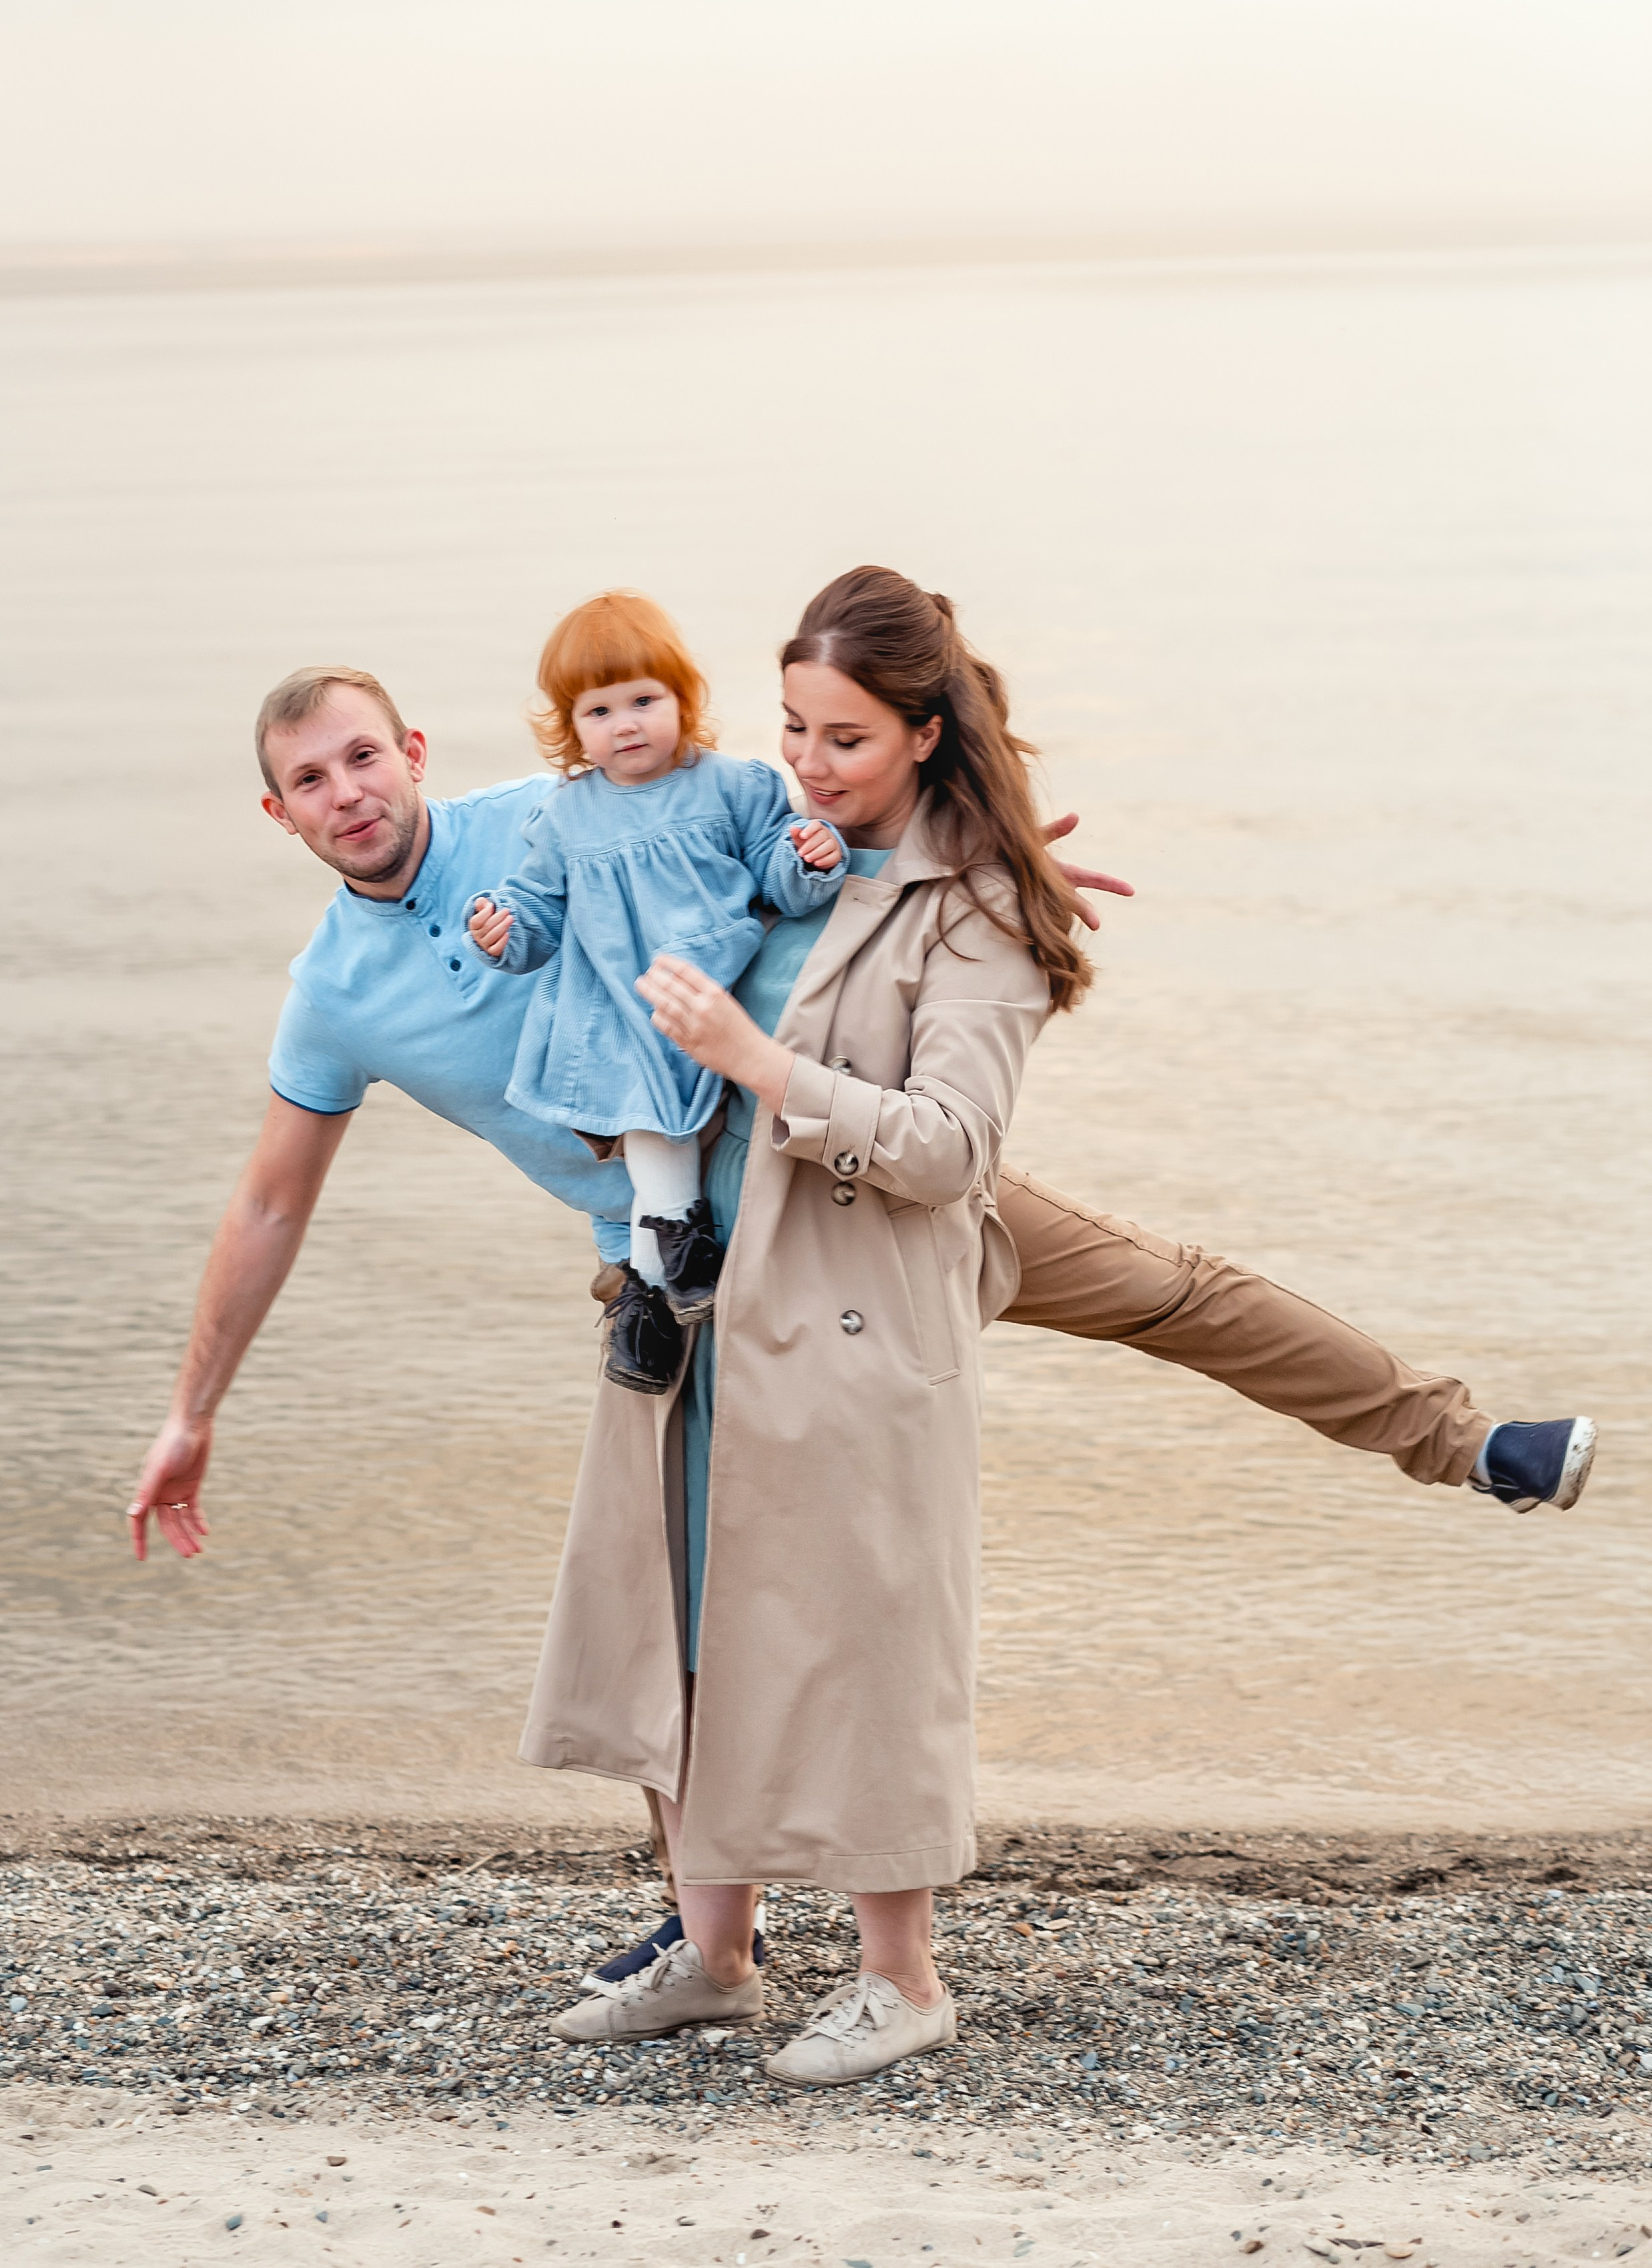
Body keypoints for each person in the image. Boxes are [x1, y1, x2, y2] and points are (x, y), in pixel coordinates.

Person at [125, 632, 1595, 1994]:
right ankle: (712, 1918)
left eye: (362, 757)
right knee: (666, 1573)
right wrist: (193, 1416)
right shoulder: (332, 995)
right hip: (679, 1270)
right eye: (311, 781)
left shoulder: (569, 803)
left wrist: (981, 878)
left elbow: (810, 822)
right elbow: (268, 1204)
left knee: (1167, 1291)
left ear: (414, 750)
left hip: (846, 1171)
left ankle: (1464, 1443)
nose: (347, 793)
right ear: (282, 818)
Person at [526, 566, 1080, 2083]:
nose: (808, 762)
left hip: (852, 1335)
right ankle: (713, 1953)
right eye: (789, 727)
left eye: (842, 735)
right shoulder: (791, 852)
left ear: (921, 728)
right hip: (708, 1309)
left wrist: (761, 1066)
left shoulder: (974, 909)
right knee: (688, 1630)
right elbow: (603, 798)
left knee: (858, 1644)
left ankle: (902, 1978)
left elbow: (951, 1146)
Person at [464, 590, 847, 1393]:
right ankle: (676, 1237)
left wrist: (811, 857)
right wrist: (502, 932)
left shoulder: (732, 787)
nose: (626, 724)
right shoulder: (567, 817)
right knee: (640, 1097)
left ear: (682, 698)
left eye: (644, 700)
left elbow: (779, 872)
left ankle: (647, 1292)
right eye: (600, 711)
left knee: (677, 1099)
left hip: (718, 990)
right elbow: (534, 913)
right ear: (572, 727)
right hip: (617, 1008)